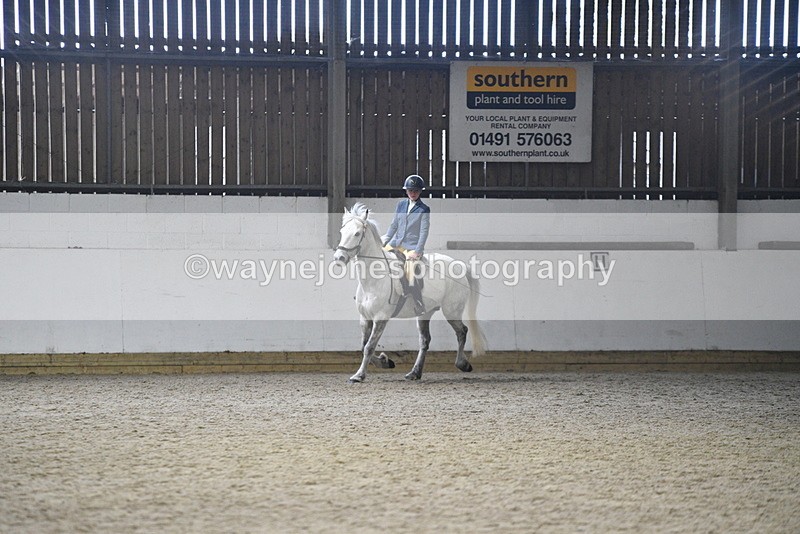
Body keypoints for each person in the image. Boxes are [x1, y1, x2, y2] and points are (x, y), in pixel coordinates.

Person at [382, 174, 430, 315]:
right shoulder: (401, 205)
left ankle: (418, 302)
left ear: (420, 191)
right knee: (378, 257)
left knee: (410, 271)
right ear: (406, 191)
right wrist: (385, 241)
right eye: (410, 190)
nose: (413, 193)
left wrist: (418, 251)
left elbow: (424, 232)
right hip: (396, 243)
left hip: (412, 247)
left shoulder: (424, 209)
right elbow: (394, 224)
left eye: (416, 191)